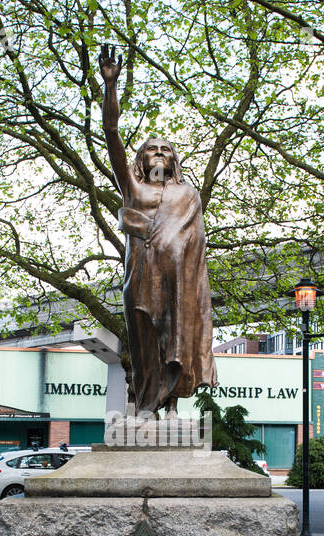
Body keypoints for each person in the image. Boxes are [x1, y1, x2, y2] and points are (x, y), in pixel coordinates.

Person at [99, 44, 217, 416]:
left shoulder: (187, 193)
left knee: (176, 338)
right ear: (142, 159)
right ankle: (147, 401)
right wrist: (110, 86)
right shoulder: (134, 188)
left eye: (167, 149)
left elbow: (195, 243)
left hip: (178, 282)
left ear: (174, 159)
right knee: (145, 343)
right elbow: (111, 132)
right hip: (141, 276)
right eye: (153, 150)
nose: (160, 154)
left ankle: (170, 406)